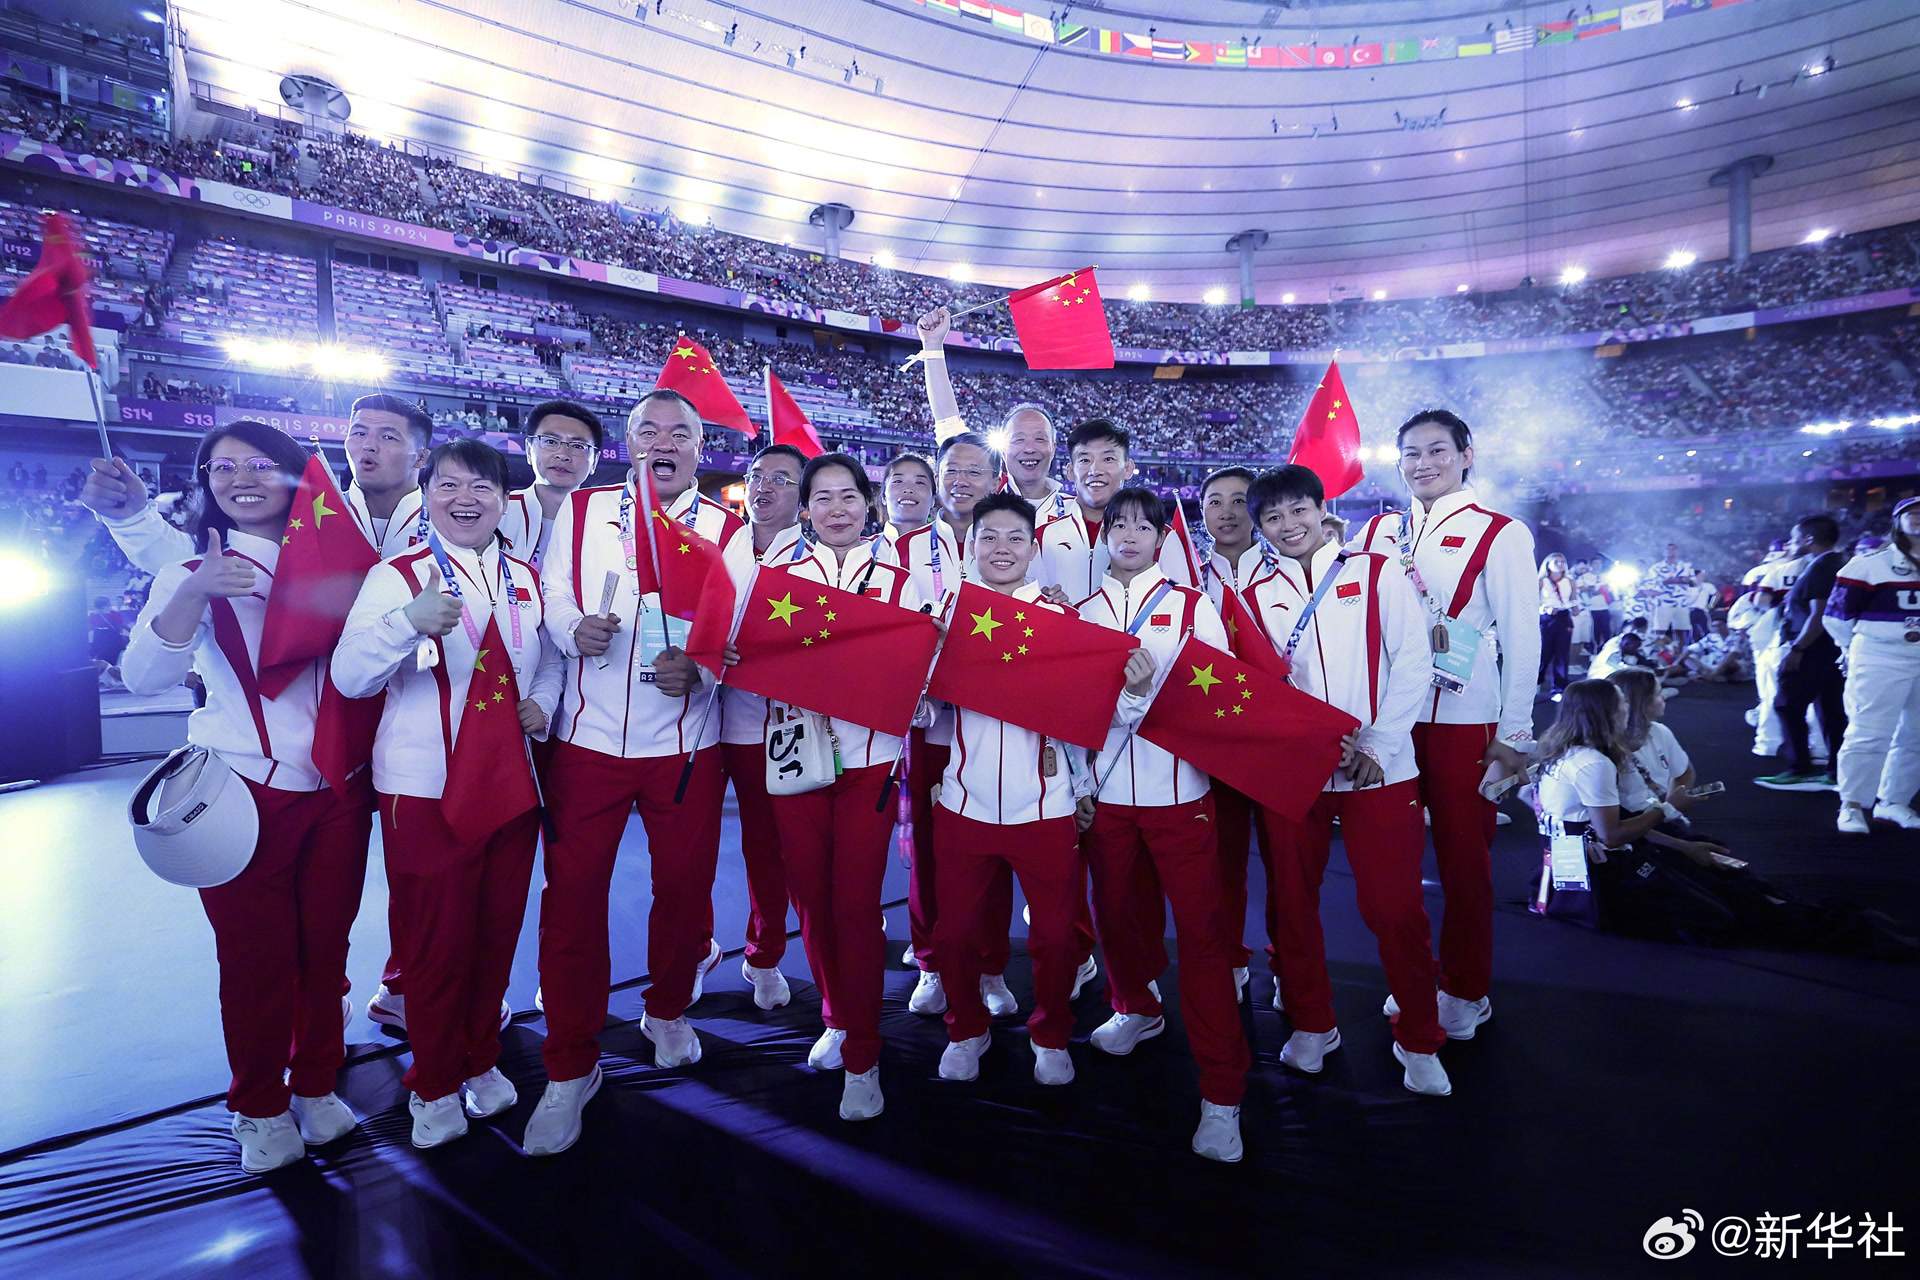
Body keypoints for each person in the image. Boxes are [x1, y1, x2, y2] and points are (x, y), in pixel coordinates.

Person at [121, 422, 373, 1173]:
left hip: (340, 788)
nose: (240, 478)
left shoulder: (348, 562)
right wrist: (194, 592)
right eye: (221, 467)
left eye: (259, 463)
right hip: (243, 795)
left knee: (326, 951)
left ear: (296, 475)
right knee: (256, 961)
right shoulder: (190, 570)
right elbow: (143, 679)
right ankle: (259, 1106)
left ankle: (317, 1085)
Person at [529, 388, 753, 1156]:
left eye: (679, 433)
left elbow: (740, 631)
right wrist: (572, 629)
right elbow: (553, 593)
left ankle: (667, 1010)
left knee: (684, 893)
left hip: (686, 746)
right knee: (572, 901)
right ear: (628, 444)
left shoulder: (728, 528)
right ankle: (570, 1061)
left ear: (699, 448)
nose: (663, 441)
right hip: (587, 740)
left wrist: (705, 669)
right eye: (647, 429)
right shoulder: (584, 510)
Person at [331, 439, 561, 1148]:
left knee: (495, 935)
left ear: (504, 501)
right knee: (436, 945)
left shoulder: (525, 577)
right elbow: (349, 677)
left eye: (482, 487)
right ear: (426, 495)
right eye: (449, 486)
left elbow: (548, 661)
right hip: (424, 789)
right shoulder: (397, 576)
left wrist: (543, 702)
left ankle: (482, 1058)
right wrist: (407, 622)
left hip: (510, 782)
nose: (466, 499)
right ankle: (433, 1083)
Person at [1247, 465, 1451, 1097]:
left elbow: (1415, 660)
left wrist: (1380, 745)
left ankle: (1419, 1035)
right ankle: (1313, 1023)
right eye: (1273, 517)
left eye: (1298, 510)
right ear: (1260, 529)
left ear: (1321, 508)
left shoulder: (1377, 571)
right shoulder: (1252, 595)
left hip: (1380, 769)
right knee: (1292, 906)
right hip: (1295, 776)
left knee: (1395, 908)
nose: (1288, 525)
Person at [1351, 409, 1539, 1044]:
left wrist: (1514, 733)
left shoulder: (1501, 533)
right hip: (1392, 719)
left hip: (1465, 718)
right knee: (1392, 865)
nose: (1423, 463)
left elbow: (1524, 637)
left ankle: (1464, 986)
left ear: (1466, 454)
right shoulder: (1379, 530)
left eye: (1437, 450)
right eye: (1411, 453)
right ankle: (1414, 977)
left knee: (1464, 864)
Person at [1076, 487, 1252, 1161]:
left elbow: (1213, 705)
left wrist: (1140, 696)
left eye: (1141, 527)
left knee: (1203, 939)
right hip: (1107, 798)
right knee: (1117, 917)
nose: (1128, 535)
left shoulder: (1192, 606)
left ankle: (1222, 1093)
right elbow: (1070, 715)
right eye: (1117, 525)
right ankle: (1137, 1008)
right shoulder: (1083, 613)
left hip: (1181, 795)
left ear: (1161, 538)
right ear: (1104, 537)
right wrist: (1079, 784)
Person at [764, 453, 929, 1121]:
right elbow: (753, 660)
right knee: (811, 900)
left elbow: (925, 675)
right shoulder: (778, 577)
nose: (837, 509)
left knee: (855, 905)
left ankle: (864, 1053)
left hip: (870, 763)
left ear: (869, 505)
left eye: (849, 496)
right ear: (805, 510)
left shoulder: (901, 581)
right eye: (823, 498)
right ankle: (836, 1015)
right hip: (795, 757)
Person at [932, 492, 1090, 1089]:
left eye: (1015, 538)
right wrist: (928, 660)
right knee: (955, 933)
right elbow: (922, 711)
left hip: (1045, 803)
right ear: (971, 546)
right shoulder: (947, 612)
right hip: (964, 800)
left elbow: (1085, 710)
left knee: (1055, 935)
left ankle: (1050, 1034)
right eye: (989, 537)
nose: (1002, 549)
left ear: (1033, 548)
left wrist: (1082, 786)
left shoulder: (1062, 619)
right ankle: (964, 1029)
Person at [885, 432, 1023, 1019]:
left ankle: (991, 965)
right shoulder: (903, 547)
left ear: (995, 480)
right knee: (928, 849)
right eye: (951, 471)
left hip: (997, 725)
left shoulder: (1011, 541)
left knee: (994, 849)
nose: (961, 481)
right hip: (929, 725)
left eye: (975, 472)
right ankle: (932, 961)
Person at [719, 443, 810, 1011]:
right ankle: (700, 951)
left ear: (803, 496)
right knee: (694, 852)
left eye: (781, 478)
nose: (764, 487)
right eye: (757, 475)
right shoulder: (717, 542)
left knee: (778, 846)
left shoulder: (817, 556)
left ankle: (767, 953)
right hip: (706, 718)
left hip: (780, 725)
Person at [1195, 465, 1280, 1001]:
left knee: (1287, 866)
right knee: (1220, 862)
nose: (1226, 512)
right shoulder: (1182, 574)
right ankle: (1228, 958)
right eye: (1215, 501)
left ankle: (1289, 965)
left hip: (1276, 740)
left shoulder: (1286, 570)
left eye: (1239, 500)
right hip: (1213, 741)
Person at [1825, 496, 1920, 832]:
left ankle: (1894, 801)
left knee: (1916, 735)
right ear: (1898, 521)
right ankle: (1851, 804)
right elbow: (1836, 617)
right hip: (1881, 654)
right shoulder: (1869, 564)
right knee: (1868, 732)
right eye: (1913, 513)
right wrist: (1850, 649)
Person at [1756, 515, 1848, 793]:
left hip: (1813, 649)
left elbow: (1818, 616)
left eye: (1795, 538)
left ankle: (1800, 768)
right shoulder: (1836, 563)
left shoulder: (1822, 567)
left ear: (1809, 539)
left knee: (1787, 704)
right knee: (1831, 709)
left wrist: (1798, 649)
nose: (1791, 543)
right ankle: (1836, 771)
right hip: (1830, 648)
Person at [1034, 419, 1140, 604]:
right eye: (1084, 460)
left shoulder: (1156, 536)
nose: (1095, 470)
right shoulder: (1041, 535)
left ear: (1128, 468)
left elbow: (1179, 602)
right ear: (1069, 471)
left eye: (1108, 459)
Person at [501, 399, 604, 569]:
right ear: (529, 450)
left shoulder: (609, 522)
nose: (563, 455)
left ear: (595, 461)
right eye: (550, 441)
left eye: (578, 446)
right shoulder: (497, 512)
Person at [1539, 553, 1576, 700]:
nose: (1560, 564)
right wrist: (1545, 609)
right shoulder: (1541, 581)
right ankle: (1537, 680)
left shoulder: (1570, 581)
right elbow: (1532, 602)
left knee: (1562, 654)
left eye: (1562, 562)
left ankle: (1558, 689)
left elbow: (1574, 599)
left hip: (1563, 617)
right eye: (1556, 562)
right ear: (1548, 565)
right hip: (1546, 619)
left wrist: (1575, 607)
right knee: (1544, 652)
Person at [880, 451, 937, 543]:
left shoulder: (951, 548)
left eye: (919, 482)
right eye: (898, 481)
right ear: (883, 496)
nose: (908, 489)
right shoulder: (863, 549)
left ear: (933, 499)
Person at [1648, 543, 1697, 643]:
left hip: (1681, 602)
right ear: (1664, 552)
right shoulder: (1656, 568)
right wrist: (1670, 581)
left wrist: (1688, 580)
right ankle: (1659, 650)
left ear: (1677, 552)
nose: (1670, 551)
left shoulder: (1685, 567)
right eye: (1668, 549)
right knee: (1660, 629)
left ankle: (1680, 650)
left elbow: (1694, 583)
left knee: (1681, 630)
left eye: (1673, 549)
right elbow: (1652, 583)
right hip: (1663, 602)